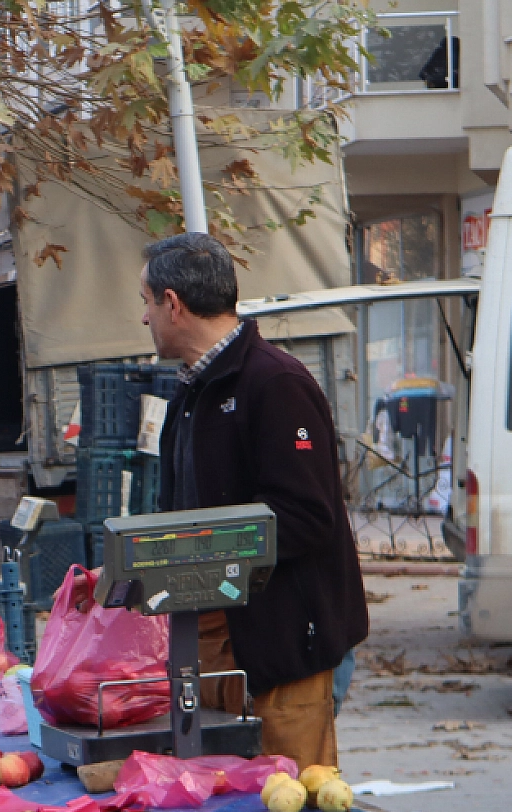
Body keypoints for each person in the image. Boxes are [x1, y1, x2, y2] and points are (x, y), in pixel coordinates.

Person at [140, 232, 368, 770]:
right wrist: (142, 560)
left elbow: (307, 517)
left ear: (172, 304)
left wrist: (196, 551)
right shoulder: (194, 391)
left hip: (285, 649)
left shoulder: (276, 384)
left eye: (146, 303)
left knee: (293, 807)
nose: (143, 318)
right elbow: (183, 512)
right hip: (217, 641)